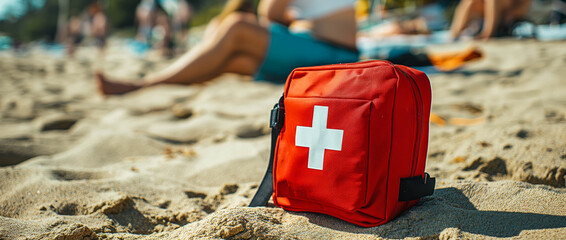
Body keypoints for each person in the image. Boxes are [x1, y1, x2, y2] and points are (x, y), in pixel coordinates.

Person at [96, 0, 359, 95]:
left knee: (236, 27)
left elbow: (271, 13)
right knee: (234, 61)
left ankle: (146, 84)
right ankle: (160, 84)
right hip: (327, 49)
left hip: (334, 54)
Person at [450, 0, 532, 40]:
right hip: (488, 18)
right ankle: (454, 34)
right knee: (470, 2)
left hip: (509, 18)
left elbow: (522, 7)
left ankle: (487, 34)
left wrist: (511, 14)